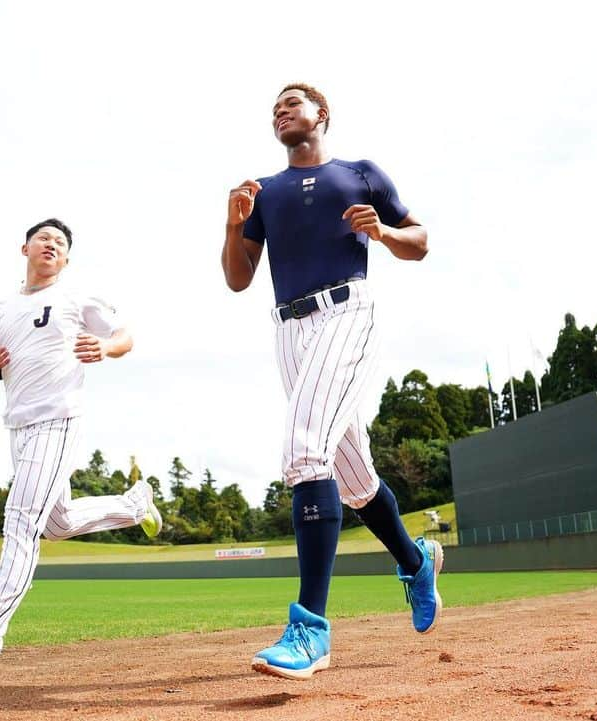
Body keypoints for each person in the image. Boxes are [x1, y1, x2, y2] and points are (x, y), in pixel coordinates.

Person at [222, 83, 442, 680]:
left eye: (293, 103)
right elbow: (239, 279)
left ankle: (310, 630)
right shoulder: (262, 194)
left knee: (303, 451)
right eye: (274, 109)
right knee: (352, 478)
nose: (281, 111)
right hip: (289, 331)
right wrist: (231, 225)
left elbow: (419, 241)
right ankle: (415, 561)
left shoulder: (360, 173)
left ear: (321, 114)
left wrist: (384, 234)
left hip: (348, 313)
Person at [0, 218, 162, 673]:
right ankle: (134, 505)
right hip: (17, 426)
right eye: (44, 239)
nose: (51, 245)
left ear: (67, 259)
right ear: (25, 249)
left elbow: (126, 337)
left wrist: (105, 346)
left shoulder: (76, 298)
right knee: (56, 522)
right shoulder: (2, 308)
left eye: (60, 243)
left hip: (57, 419)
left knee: (20, 523)